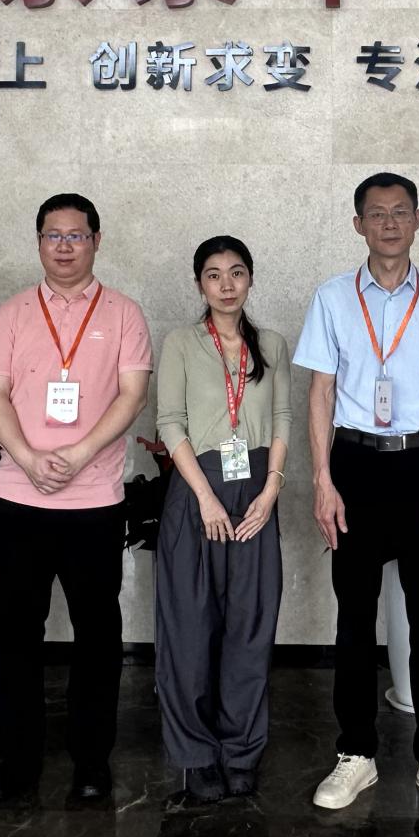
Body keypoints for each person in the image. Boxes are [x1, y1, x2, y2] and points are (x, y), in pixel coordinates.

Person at [293, 172, 419, 817]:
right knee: (354, 614)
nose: (390, 223)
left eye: (401, 212)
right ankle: (356, 753)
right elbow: (320, 392)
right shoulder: (332, 297)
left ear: (418, 220)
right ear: (358, 225)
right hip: (354, 464)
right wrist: (323, 480)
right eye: (377, 214)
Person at [0, 193, 151, 805]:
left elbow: (131, 395)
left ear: (97, 241)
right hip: (16, 498)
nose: (65, 246)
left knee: (96, 637)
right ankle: (18, 763)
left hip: (94, 500)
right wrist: (28, 458)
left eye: (77, 235)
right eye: (53, 235)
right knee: (17, 636)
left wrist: (78, 455)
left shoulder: (124, 313)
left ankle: (91, 762)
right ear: (39, 242)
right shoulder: (12, 314)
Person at [153, 236, 293, 803]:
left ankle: (241, 750)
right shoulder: (182, 343)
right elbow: (169, 421)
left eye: (237, 272)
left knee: (250, 626)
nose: (226, 284)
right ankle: (195, 754)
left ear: (251, 279)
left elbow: (282, 418)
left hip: (256, 493)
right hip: (197, 493)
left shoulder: (272, 345)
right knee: (190, 628)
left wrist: (272, 490)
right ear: (199, 284)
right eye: (213, 275)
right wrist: (206, 498)